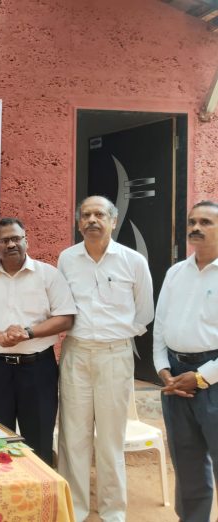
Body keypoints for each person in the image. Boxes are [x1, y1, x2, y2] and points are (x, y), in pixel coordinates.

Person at [57, 195, 154, 522]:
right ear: (78, 223)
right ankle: (76, 508)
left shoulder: (133, 261)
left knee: (111, 438)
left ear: (113, 221)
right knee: (73, 435)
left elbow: (144, 313)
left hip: (115, 355)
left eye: (99, 214)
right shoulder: (67, 259)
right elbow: (62, 305)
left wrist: (116, 336)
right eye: (86, 215)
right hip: (76, 352)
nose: (92, 220)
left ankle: (113, 511)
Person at [0, 218, 75, 466]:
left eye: (16, 238)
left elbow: (65, 318)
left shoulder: (48, 275)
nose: (11, 244)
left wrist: (28, 333)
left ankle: (40, 488)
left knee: (39, 440)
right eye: (4, 240)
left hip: (38, 369)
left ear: (27, 240)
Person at [153, 200, 218, 522]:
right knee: (187, 462)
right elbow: (160, 325)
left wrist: (203, 376)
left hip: (213, 377)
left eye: (206, 222)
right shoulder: (175, 272)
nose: (196, 227)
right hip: (176, 378)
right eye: (192, 221)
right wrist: (162, 368)